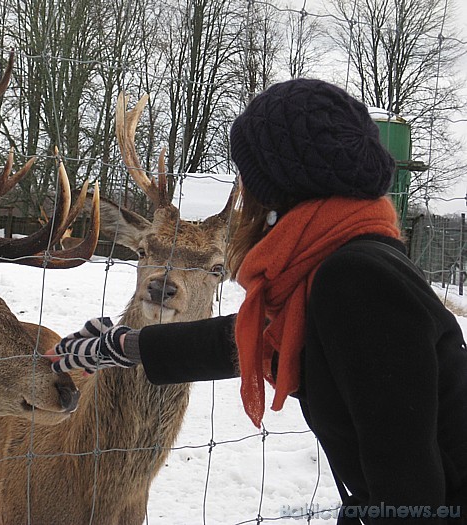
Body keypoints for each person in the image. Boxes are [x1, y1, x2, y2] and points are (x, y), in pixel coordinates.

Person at [48, 78, 467, 523]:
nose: (242, 191)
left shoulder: (356, 278)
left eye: (248, 174)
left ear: (279, 187)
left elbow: (409, 483)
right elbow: (259, 337)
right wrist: (128, 345)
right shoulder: (339, 262)